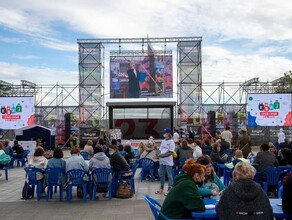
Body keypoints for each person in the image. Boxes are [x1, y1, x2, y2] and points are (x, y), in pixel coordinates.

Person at [155, 128, 175, 196]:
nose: (164, 134)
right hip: (161, 161)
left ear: (168, 133)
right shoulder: (163, 141)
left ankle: (170, 188)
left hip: (168, 161)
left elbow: (170, 152)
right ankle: (161, 188)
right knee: (161, 175)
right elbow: (160, 149)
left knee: (169, 175)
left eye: (165, 133)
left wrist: (161, 155)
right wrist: (157, 153)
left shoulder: (171, 142)